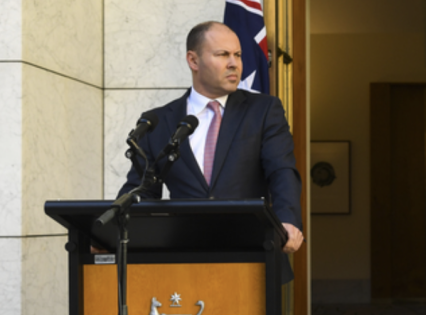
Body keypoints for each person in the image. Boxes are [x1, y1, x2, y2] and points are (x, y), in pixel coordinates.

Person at [119, 21, 304, 267]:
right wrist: (111, 231)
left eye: (237, 55)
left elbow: (281, 170)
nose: (234, 63)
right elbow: (141, 189)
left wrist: (287, 220)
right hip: (181, 257)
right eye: (223, 54)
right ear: (193, 61)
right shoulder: (159, 121)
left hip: (254, 254)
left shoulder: (264, 110)